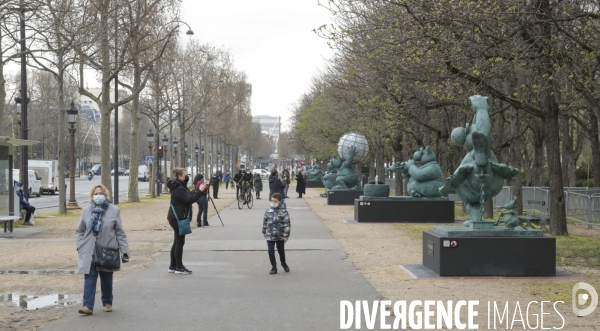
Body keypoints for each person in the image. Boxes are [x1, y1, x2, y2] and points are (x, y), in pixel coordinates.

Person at [76, 184, 130, 315]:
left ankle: (107, 302)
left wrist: (125, 249)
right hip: (89, 250)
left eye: (100, 194)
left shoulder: (114, 210)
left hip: (107, 250)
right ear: (92, 196)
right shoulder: (86, 211)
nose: (98, 196)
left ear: (105, 195)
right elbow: (80, 230)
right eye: (96, 194)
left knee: (106, 277)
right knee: (90, 277)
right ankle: (87, 306)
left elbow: (120, 232)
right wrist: (80, 245)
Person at [167, 168, 203, 275]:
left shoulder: (179, 186)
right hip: (178, 217)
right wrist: (200, 191)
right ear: (180, 176)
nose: (187, 177)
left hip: (177, 216)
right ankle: (178, 267)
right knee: (180, 242)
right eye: (186, 175)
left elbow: (188, 196)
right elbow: (189, 200)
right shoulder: (178, 188)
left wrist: (195, 191)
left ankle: (173, 266)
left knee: (177, 241)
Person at [262, 193, 290, 274]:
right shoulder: (268, 210)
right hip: (270, 235)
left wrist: (286, 235)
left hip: (280, 235)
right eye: (272, 201)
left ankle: (283, 263)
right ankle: (274, 267)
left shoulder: (284, 212)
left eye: (275, 201)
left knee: (281, 251)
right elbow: (265, 221)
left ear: (279, 202)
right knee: (270, 251)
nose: (273, 202)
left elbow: (287, 224)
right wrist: (264, 231)